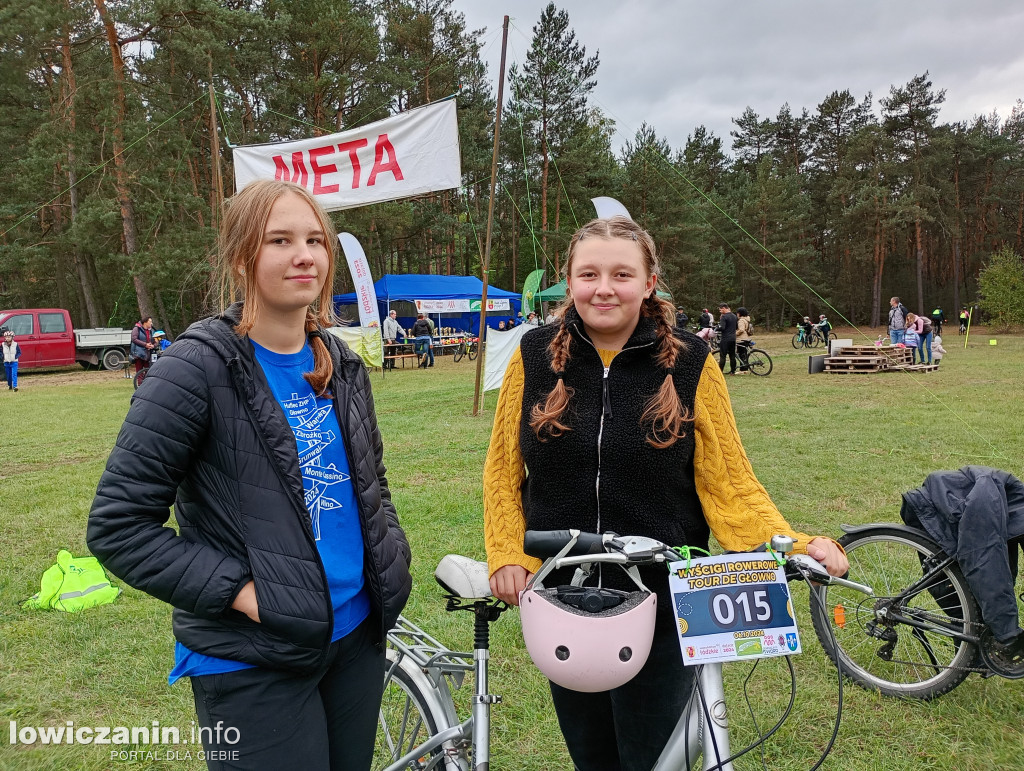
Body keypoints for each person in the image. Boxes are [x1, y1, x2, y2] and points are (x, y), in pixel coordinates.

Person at [483, 216, 848, 771]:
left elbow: (728, 479)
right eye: (589, 274)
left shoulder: (692, 363)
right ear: (570, 281)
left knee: (653, 757)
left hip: (663, 597)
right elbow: (503, 468)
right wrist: (508, 550)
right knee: (592, 756)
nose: (604, 288)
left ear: (649, 283)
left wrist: (792, 543)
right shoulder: (533, 354)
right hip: (561, 590)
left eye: (621, 274)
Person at [86, 179, 412, 770]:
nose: (304, 255)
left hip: (355, 640)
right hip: (252, 656)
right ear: (243, 257)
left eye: (315, 239)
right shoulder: (193, 369)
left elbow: (370, 482)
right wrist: (245, 595)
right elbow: (118, 527)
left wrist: (389, 557)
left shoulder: (340, 363)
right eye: (280, 240)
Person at [716, 303, 738, 374]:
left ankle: (720, 371)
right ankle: (733, 371)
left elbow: (722, 327)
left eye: (720, 310)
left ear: (724, 308)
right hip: (733, 338)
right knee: (732, 355)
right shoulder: (734, 316)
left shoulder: (724, 317)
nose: (720, 311)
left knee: (723, 355)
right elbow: (736, 327)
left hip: (725, 338)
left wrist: (716, 329)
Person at [735, 307, 753, 373]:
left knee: (741, 354)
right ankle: (745, 368)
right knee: (744, 354)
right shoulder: (746, 320)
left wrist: (734, 334)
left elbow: (741, 330)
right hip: (746, 338)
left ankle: (743, 370)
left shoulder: (741, 320)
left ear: (739, 314)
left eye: (737, 313)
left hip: (741, 339)